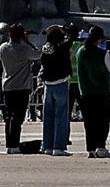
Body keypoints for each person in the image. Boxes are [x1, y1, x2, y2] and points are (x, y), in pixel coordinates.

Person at [0, 24, 42, 153]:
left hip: (7, 86)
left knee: (9, 117)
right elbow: (38, 55)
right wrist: (27, 42)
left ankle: (9, 144)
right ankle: (14, 144)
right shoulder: (24, 48)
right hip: (21, 86)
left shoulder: (3, 48)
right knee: (18, 117)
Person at [78, 26, 110, 158]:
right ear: (99, 39)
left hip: (85, 92)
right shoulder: (101, 53)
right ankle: (101, 146)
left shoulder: (81, 51)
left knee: (89, 122)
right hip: (101, 92)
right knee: (102, 122)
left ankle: (91, 148)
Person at [39, 24, 73, 156]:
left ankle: (47, 145)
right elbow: (72, 35)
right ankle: (58, 146)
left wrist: (52, 28)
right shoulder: (62, 47)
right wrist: (64, 29)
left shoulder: (45, 47)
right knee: (61, 116)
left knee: (48, 116)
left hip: (48, 84)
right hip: (61, 82)